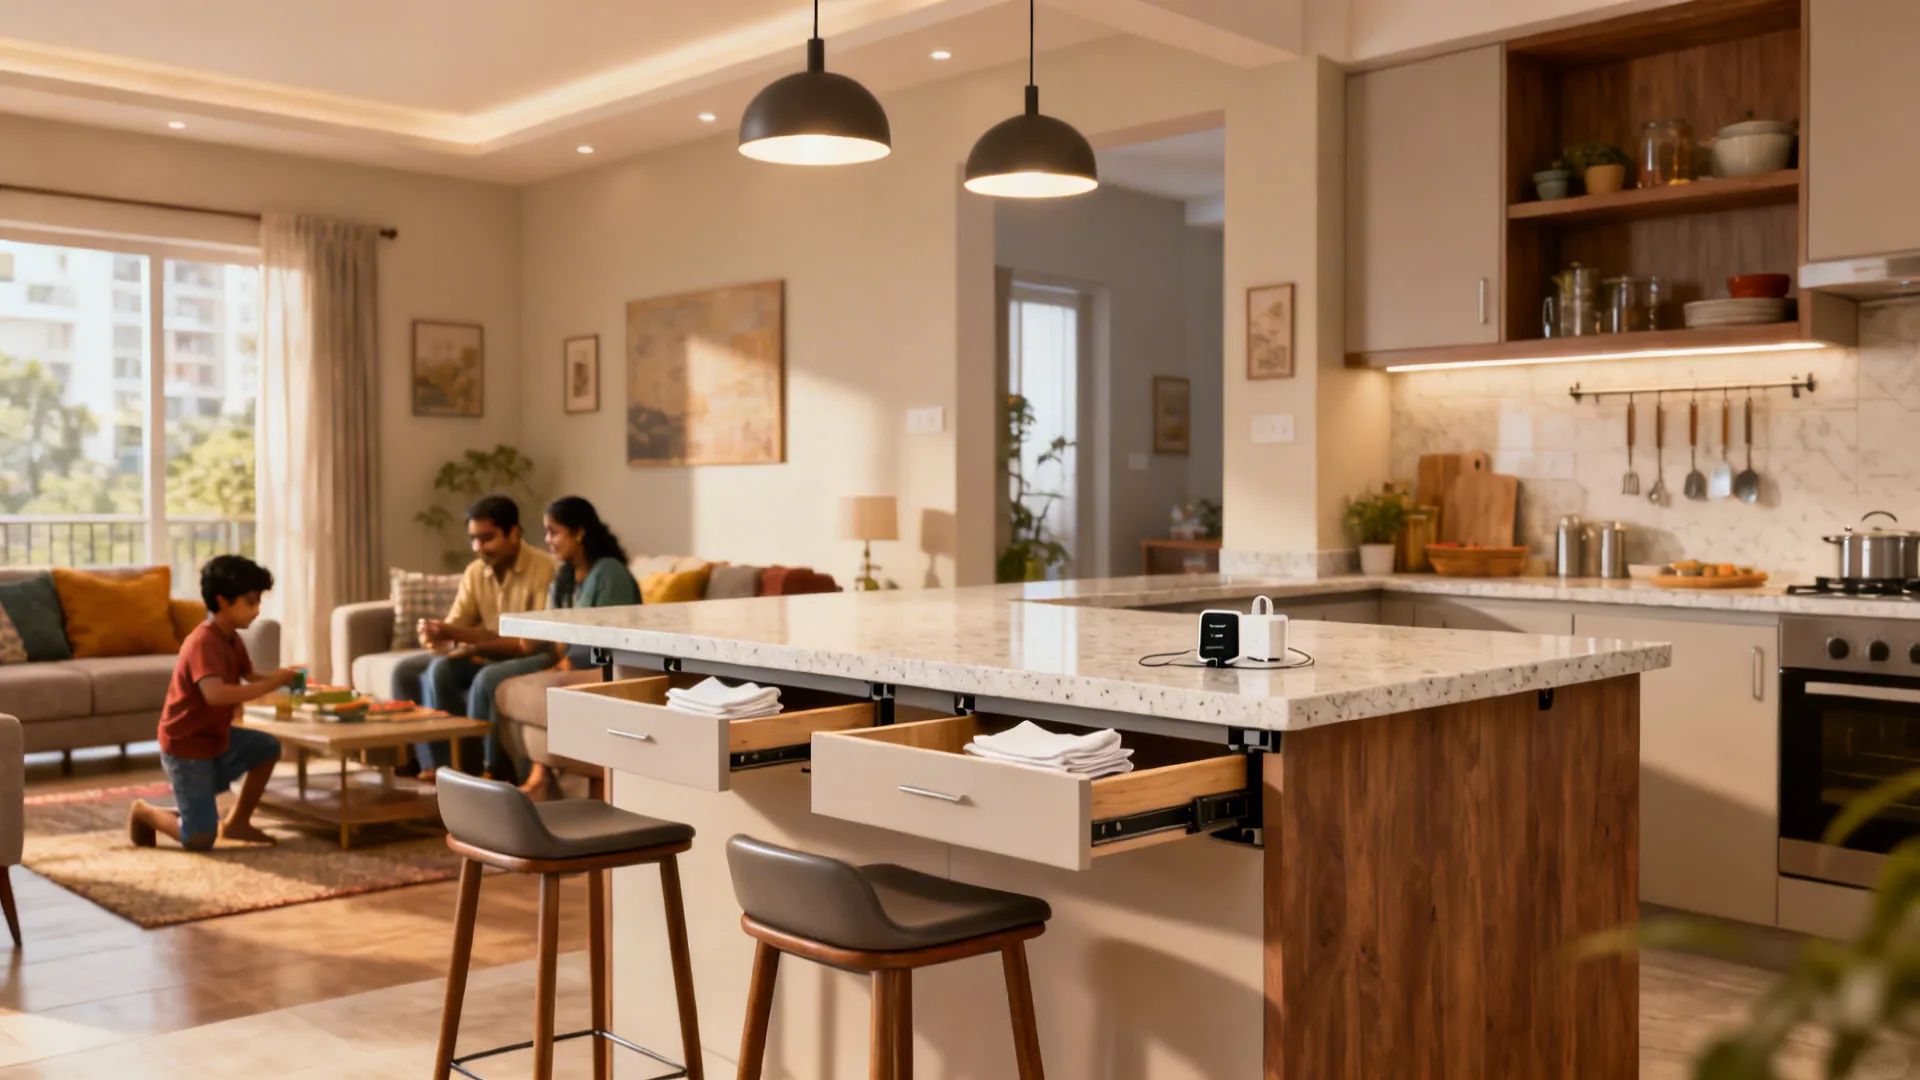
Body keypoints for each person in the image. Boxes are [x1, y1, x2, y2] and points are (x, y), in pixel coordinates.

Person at [129, 555, 301, 851]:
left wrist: (284, 677)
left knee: (267, 746)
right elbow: (215, 694)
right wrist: (270, 683)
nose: (257, 611)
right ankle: (145, 812)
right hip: (187, 746)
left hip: (217, 738)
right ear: (223, 601)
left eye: (258, 601)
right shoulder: (203, 642)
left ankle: (237, 822)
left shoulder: (232, 638)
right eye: (250, 602)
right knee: (199, 838)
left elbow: (249, 675)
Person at [392, 495, 556, 783]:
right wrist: (436, 633)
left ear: (514, 533)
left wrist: (464, 641)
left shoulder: (544, 570)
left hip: (530, 654)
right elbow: (456, 624)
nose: (479, 548)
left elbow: (528, 641)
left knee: (445, 670)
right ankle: (434, 763)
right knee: (405, 670)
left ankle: (474, 766)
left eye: (487, 538)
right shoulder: (475, 572)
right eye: (474, 539)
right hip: (487, 650)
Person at [515, 496, 641, 798]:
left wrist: (568, 662)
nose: (548, 541)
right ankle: (538, 776)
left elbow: (613, 635)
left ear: (579, 532)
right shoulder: (565, 576)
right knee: (515, 680)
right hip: (576, 660)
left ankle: (542, 779)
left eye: (554, 532)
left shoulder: (609, 573)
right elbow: (556, 630)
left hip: (611, 665)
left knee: (547, 686)